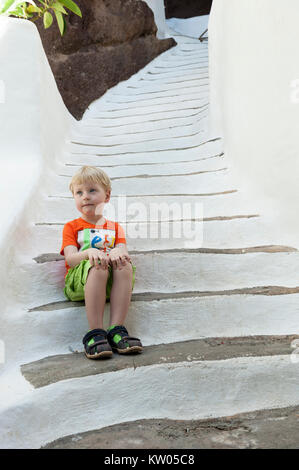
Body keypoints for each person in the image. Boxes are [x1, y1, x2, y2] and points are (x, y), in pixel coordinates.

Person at [60, 165, 143, 359]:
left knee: (124, 263)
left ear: (107, 196)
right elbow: (71, 260)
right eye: (78, 192)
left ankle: (116, 330)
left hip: (109, 283)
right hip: (80, 283)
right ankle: (95, 333)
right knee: (98, 265)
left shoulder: (115, 228)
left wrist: (116, 251)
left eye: (91, 190)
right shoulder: (71, 227)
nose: (85, 197)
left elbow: (124, 251)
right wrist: (89, 252)